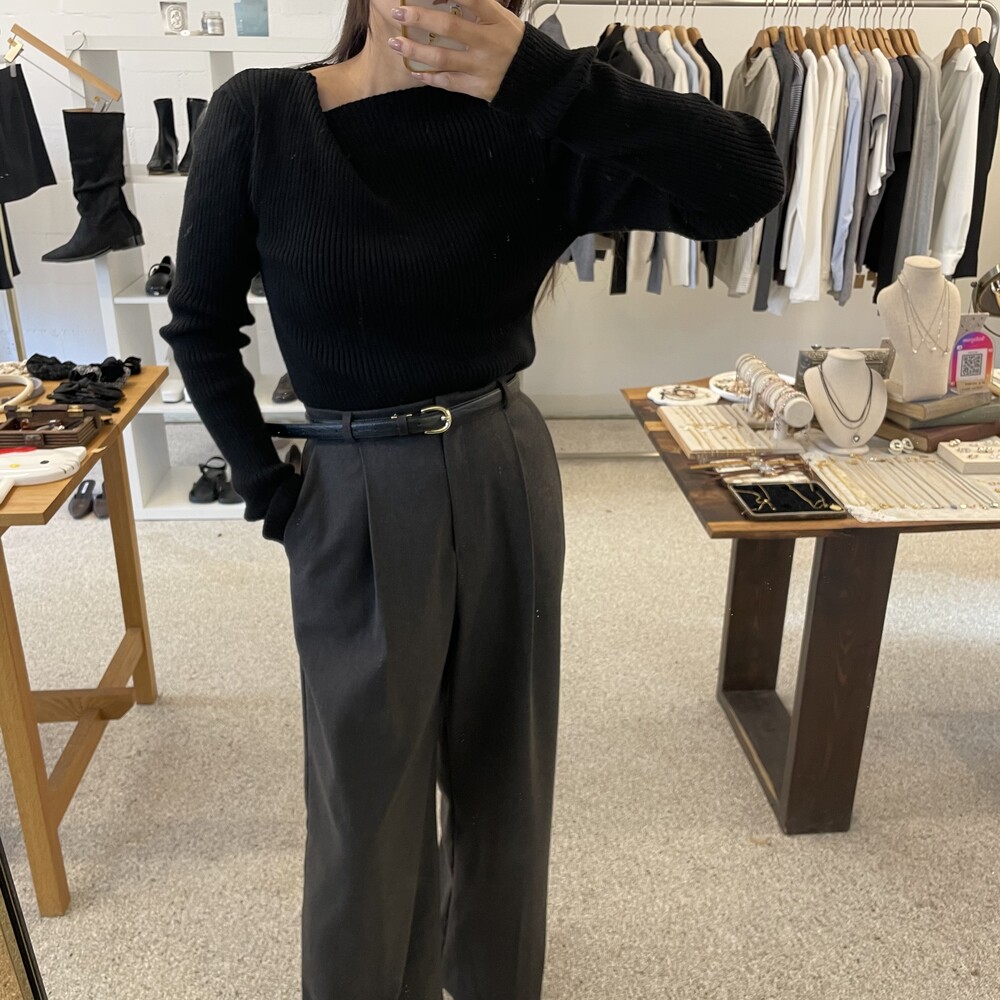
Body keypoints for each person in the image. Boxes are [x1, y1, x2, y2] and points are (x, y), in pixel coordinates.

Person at [160, 1, 783, 997]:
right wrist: (270, 489)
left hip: (502, 465)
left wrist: (545, 79)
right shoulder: (263, 114)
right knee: (366, 793)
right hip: (352, 480)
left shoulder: (538, 117)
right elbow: (199, 322)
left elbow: (745, 182)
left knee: (508, 769)